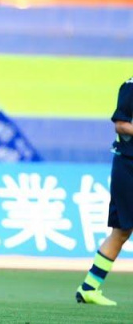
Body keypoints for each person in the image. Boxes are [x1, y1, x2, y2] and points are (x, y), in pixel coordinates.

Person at [76, 76, 133, 306]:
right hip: (128, 166)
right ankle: (89, 288)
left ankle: (88, 288)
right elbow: (121, 124)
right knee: (121, 231)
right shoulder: (130, 87)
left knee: (121, 232)